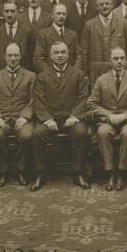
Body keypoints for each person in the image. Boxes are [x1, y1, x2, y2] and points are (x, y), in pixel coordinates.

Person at [88, 46, 127, 192]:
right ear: (110, 61)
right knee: (103, 133)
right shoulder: (102, 80)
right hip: (107, 120)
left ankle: (122, 172)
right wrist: (109, 116)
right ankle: (110, 172)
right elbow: (92, 104)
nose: (119, 61)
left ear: (126, 60)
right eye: (116, 58)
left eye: (122, 58)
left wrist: (125, 115)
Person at [30, 40, 92, 189]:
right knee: (37, 134)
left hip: (71, 118)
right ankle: (40, 173)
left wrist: (74, 116)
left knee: (81, 132)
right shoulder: (42, 76)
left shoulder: (78, 74)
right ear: (50, 56)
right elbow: (38, 100)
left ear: (68, 54)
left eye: (63, 52)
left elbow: (84, 97)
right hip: (50, 119)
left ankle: (78, 173)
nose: (60, 56)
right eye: (56, 53)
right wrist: (47, 119)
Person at [0, 43, 37, 187]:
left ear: (20, 57)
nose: (13, 59)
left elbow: (33, 100)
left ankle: (21, 169)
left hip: (22, 117)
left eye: (16, 55)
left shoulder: (30, 76)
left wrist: (24, 117)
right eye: (10, 55)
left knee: (27, 135)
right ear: (5, 57)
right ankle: (3, 170)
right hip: (2, 118)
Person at [78, 0, 127, 71]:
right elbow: (84, 52)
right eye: (101, 4)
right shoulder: (89, 25)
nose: (105, 6)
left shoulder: (123, 23)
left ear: (112, 5)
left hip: (118, 69)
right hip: (97, 70)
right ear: (97, 7)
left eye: (107, 4)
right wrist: (86, 73)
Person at [33, 2, 79, 73]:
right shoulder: (43, 34)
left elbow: (79, 56)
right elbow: (38, 59)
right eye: (58, 13)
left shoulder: (73, 35)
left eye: (64, 14)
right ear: (52, 15)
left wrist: (73, 73)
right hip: (50, 77)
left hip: (70, 77)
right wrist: (50, 74)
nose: (61, 16)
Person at [0, 0, 35, 72]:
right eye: (6, 11)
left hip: (23, 75)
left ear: (18, 12)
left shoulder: (27, 32)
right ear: (3, 13)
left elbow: (30, 57)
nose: (9, 14)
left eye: (12, 11)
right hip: (1, 76)